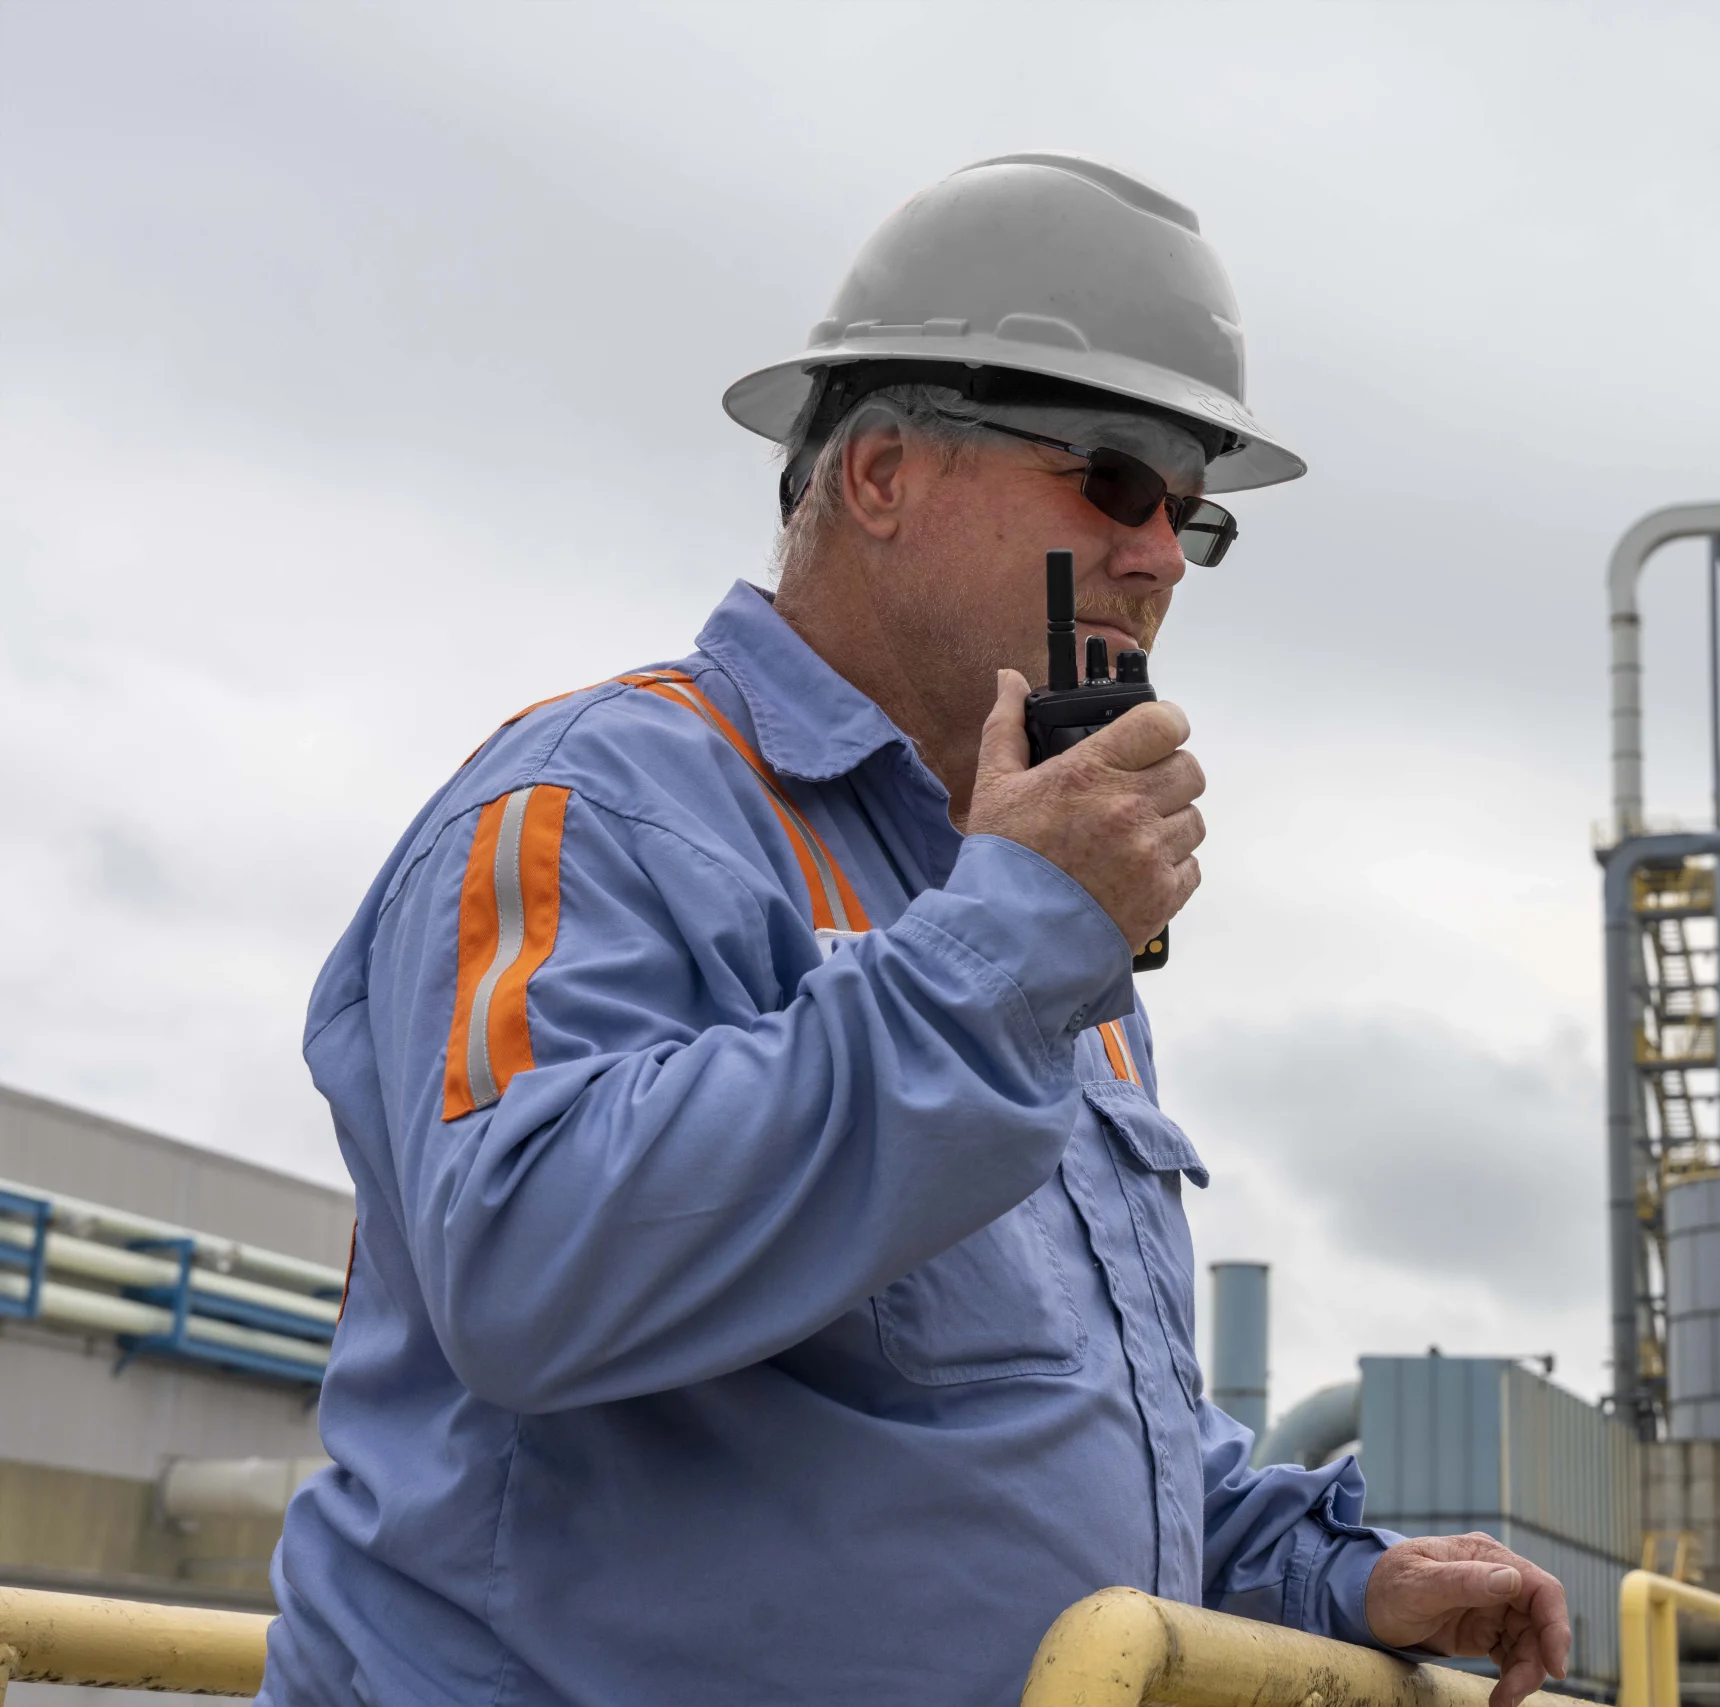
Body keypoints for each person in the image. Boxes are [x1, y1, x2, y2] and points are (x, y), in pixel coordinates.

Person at [262, 152, 1572, 1706]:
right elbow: (529, 1267)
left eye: (1191, 517)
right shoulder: (599, 805)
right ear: (879, 472)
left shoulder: (1015, 908)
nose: (1158, 554)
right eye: (1110, 475)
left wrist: (1331, 1572)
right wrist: (1012, 946)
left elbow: (1051, 1432)